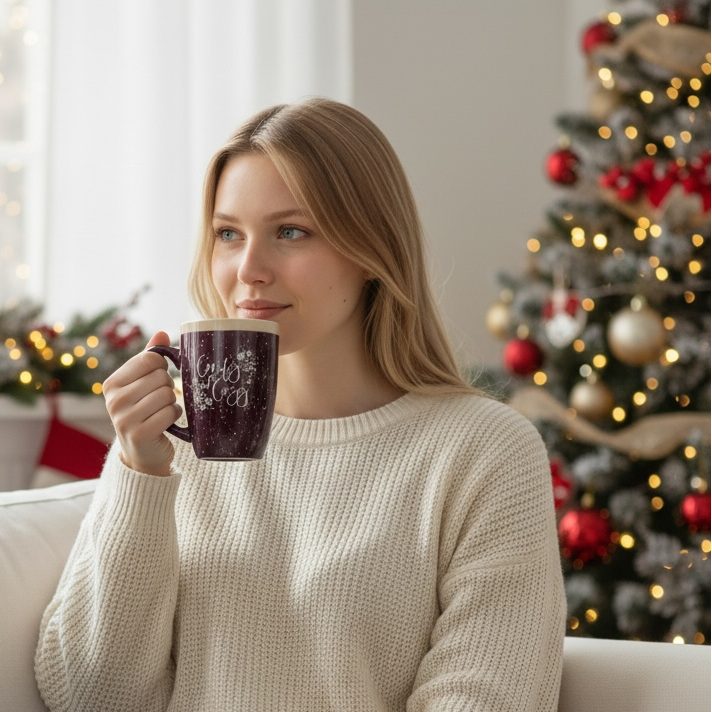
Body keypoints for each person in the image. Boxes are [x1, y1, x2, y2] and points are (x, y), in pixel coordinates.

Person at [35, 98, 566, 711]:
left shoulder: (483, 451)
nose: (249, 269)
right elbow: (89, 697)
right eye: (228, 234)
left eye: (291, 231)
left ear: (372, 250)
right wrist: (139, 471)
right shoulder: (175, 444)